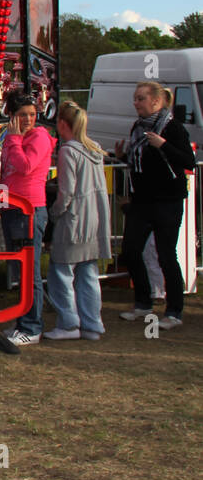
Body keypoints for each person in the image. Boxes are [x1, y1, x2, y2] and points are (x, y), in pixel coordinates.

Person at [115, 81, 193, 329]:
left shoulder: (172, 128)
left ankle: (174, 311)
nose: (136, 103)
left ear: (156, 102)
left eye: (140, 98)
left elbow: (187, 160)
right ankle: (143, 302)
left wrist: (163, 145)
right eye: (135, 98)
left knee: (166, 254)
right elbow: (143, 164)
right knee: (130, 250)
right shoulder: (138, 128)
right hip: (143, 200)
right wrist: (123, 158)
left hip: (167, 201)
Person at [45, 102, 111, 340]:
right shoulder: (94, 149)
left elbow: (67, 192)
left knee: (61, 272)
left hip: (74, 219)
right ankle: (92, 324)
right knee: (88, 273)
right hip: (94, 218)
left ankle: (69, 323)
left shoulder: (68, 151)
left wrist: (54, 212)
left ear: (63, 124)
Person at [0, 91, 56, 345]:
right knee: (20, 269)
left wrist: (13, 139)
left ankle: (32, 326)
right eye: (23, 115)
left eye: (32, 114)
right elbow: (8, 171)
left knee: (29, 270)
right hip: (12, 206)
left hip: (29, 208)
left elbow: (26, 166)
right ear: (11, 116)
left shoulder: (39, 136)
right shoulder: (14, 137)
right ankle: (24, 320)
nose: (29, 119)